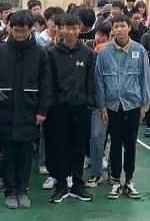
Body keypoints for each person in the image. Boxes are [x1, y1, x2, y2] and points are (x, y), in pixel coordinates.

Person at [0, 11, 52, 209]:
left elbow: (46, 84)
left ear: (31, 29)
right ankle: (9, 190)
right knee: (6, 153)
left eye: (23, 30)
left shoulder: (40, 53)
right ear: (10, 29)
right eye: (16, 30)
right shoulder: (0, 52)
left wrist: (42, 111)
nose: (20, 34)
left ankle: (22, 190)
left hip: (30, 112)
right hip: (4, 111)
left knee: (25, 154)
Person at [94, 14, 150, 200]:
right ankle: (116, 180)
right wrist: (102, 106)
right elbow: (99, 81)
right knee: (116, 144)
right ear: (112, 30)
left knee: (131, 144)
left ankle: (129, 180)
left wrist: (145, 105)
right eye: (116, 26)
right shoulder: (104, 53)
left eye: (122, 26)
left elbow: (145, 79)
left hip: (133, 105)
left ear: (129, 27)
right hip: (112, 106)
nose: (119, 29)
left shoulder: (139, 50)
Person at [44, 13, 95, 204]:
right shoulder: (52, 53)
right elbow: (48, 82)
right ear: (61, 29)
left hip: (81, 109)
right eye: (68, 28)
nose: (71, 32)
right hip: (58, 110)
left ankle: (78, 184)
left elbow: (91, 81)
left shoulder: (88, 53)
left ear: (79, 29)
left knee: (79, 147)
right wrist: (52, 105)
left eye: (75, 28)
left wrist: (89, 103)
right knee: (59, 147)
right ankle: (61, 185)